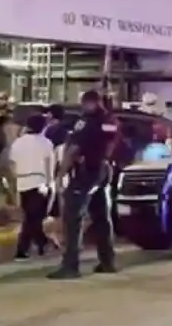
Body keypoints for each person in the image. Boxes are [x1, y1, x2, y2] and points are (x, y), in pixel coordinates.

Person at [48, 90, 119, 279]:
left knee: (72, 217)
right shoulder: (110, 120)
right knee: (102, 217)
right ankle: (107, 261)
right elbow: (112, 145)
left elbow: (74, 148)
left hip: (86, 171)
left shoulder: (86, 122)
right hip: (104, 170)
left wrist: (61, 173)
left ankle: (70, 266)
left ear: (89, 102)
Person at [10, 114, 55, 260]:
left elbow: (12, 164)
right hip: (40, 182)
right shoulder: (46, 143)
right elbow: (50, 166)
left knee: (31, 217)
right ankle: (26, 247)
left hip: (22, 183)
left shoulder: (18, 143)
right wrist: (50, 185)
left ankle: (39, 243)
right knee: (33, 218)